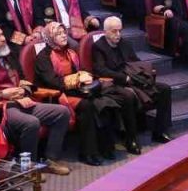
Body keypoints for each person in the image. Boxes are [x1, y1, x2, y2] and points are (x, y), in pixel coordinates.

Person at [0, 24, 72, 172]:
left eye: (2, 34)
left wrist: (23, 91)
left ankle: (50, 159)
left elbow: (24, 79)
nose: (3, 38)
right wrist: (1, 94)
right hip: (1, 107)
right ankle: (28, 167)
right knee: (31, 122)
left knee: (62, 112)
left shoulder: (10, 55)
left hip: (21, 101)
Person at [34, 22, 134, 165]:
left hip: (76, 90)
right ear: (50, 38)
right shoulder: (44, 57)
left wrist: (84, 76)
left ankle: (105, 147)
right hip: (56, 95)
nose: (64, 36)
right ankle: (87, 152)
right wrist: (77, 79)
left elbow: (80, 71)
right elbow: (53, 82)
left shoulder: (69, 52)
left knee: (102, 101)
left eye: (64, 33)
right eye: (58, 34)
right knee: (87, 105)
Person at [91, 16, 173, 143]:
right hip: (114, 83)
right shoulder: (98, 47)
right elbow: (101, 70)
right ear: (105, 31)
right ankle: (131, 139)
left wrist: (145, 72)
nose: (118, 34)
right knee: (128, 96)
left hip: (133, 80)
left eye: (120, 31)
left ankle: (160, 131)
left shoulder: (125, 43)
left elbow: (135, 62)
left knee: (165, 89)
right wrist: (124, 78)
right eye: (114, 31)